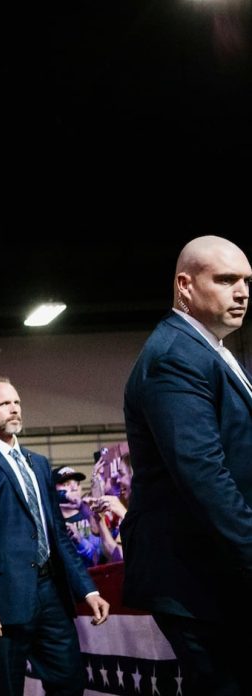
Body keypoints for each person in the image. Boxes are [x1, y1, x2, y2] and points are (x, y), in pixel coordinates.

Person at [123, 235, 252, 694]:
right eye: (226, 279)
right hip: (198, 577)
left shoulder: (209, 351)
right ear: (185, 285)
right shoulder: (176, 357)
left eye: (247, 281)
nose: (242, 292)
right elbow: (204, 476)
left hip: (213, 571)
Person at [0, 377, 109, 696]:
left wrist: (87, 590)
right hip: (0, 600)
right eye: (3, 404)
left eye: (16, 402)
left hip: (51, 594)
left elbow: (56, 534)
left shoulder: (39, 464)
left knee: (70, 682)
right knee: (4, 688)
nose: (14, 409)